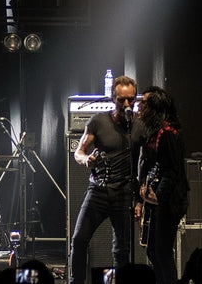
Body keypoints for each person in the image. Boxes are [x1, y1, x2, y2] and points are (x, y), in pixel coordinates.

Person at [69, 75, 146, 284]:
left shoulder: (140, 125)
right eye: (122, 100)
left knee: (122, 249)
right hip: (99, 190)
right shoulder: (98, 121)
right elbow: (79, 152)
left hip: (124, 193)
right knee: (79, 239)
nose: (127, 104)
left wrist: (140, 200)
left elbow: (146, 163)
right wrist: (87, 161)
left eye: (131, 99)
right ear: (113, 99)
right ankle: (75, 281)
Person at [134, 86, 189, 284]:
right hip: (157, 200)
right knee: (153, 250)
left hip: (169, 202)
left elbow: (172, 170)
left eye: (145, 103)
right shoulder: (153, 131)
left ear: (155, 107)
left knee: (162, 252)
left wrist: (158, 196)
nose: (140, 106)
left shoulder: (168, 132)